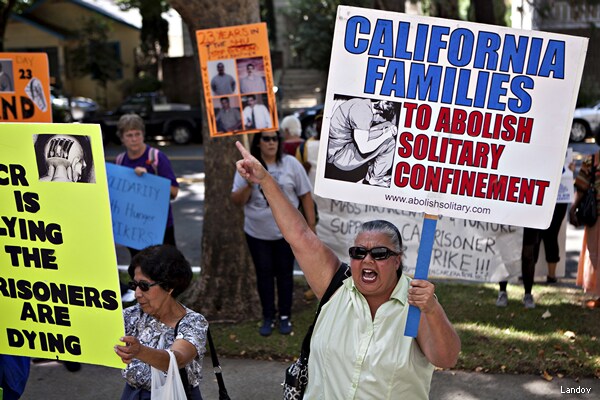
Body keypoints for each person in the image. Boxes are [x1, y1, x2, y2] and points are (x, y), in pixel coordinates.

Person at [234, 141, 460, 398]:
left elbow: (447, 357)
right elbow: (299, 235)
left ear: (398, 260)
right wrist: (265, 180)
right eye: (358, 252)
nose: (367, 260)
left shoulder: (417, 303)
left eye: (379, 254)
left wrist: (432, 309)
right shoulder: (335, 285)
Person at [231, 131, 315, 336]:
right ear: (258, 143)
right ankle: (268, 316)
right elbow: (235, 200)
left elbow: (305, 196)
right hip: (257, 234)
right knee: (264, 275)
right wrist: (250, 183)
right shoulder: (248, 165)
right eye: (266, 139)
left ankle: (285, 316)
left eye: (275, 138)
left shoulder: (291, 164)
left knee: (285, 275)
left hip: (287, 234)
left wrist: (311, 227)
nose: (271, 143)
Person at [114, 245, 208, 399]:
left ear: (169, 286)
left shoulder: (193, 322)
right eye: (134, 285)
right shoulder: (131, 315)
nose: (137, 294)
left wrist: (140, 351)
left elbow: (177, 359)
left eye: (144, 286)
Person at [116, 114, 180, 254]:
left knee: (165, 265)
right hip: (133, 228)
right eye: (129, 135)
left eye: (137, 134)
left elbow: (174, 192)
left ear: (143, 135)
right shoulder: (120, 160)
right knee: (139, 266)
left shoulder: (157, 158)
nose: (134, 139)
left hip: (160, 226)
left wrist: (148, 180)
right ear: (122, 138)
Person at [325, 97, 398, 187]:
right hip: (341, 156)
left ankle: (373, 171)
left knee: (386, 127)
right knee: (390, 142)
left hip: (338, 147)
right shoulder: (364, 113)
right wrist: (387, 134)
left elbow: (363, 131)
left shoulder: (363, 104)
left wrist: (385, 128)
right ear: (380, 113)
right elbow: (364, 148)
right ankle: (376, 178)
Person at [570, 149, 600, 309]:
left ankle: (598, 295)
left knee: (595, 257)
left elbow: (581, 187)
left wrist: (573, 207)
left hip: (596, 217)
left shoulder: (592, 160)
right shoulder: (591, 160)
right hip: (596, 217)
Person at [496, 227, 540, 309]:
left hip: (529, 222)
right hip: (509, 220)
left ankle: (528, 294)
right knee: (505, 252)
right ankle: (502, 291)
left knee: (528, 254)